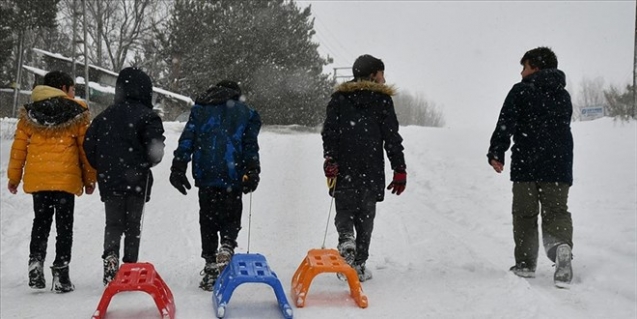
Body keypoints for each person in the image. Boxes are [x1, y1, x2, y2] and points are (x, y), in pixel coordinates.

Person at [487, 47, 574, 288]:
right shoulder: (563, 94)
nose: (521, 72)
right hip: (559, 165)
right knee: (556, 211)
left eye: (524, 67)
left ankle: (525, 264)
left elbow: (506, 123)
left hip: (527, 163)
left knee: (525, 214)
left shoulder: (521, 91)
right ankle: (561, 249)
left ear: (535, 67)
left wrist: (497, 152)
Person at [7, 70, 96, 293]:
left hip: (40, 179)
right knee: (64, 227)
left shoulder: (30, 113)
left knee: (41, 222)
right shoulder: (77, 111)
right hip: (66, 179)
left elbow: (19, 148)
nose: (75, 93)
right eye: (73, 89)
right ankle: (61, 273)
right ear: (64, 89)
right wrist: (90, 178)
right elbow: (85, 150)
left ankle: (35, 262)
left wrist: (14, 177)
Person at [321, 54, 407, 282]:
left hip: (344, 167)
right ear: (372, 74)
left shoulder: (340, 98)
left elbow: (329, 132)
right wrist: (399, 169)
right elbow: (392, 138)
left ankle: (346, 238)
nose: (384, 78)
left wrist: (330, 158)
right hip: (371, 169)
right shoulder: (382, 101)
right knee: (366, 216)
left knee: (345, 209)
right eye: (381, 73)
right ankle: (358, 264)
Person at [169, 80, 261, 291]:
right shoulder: (245, 113)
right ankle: (227, 245)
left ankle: (210, 265)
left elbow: (187, 139)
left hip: (206, 173)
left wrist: (178, 167)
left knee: (208, 217)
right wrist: (252, 170)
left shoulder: (201, 109)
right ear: (236, 94)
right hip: (233, 173)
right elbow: (250, 145)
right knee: (231, 213)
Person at [83, 67, 165, 285]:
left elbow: (89, 145)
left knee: (113, 224)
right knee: (132, 225)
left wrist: (101, 165)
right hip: (138, 179)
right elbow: (156, 151)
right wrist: (148, 162)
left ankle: (110, 257)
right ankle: (129, 266)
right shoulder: (148, 117)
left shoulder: (104, 117)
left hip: (110, 179)